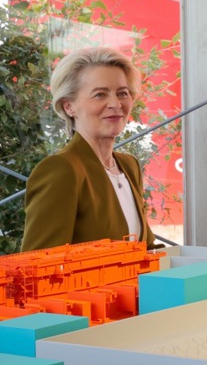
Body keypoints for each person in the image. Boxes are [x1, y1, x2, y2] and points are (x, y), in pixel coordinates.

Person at [22, 46, 156, 252]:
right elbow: (38, 264)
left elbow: (145, 249)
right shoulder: (61, 169)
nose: (115, 104)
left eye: (122, 93)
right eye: (100, 95)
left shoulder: (129, 166)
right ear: (69, 106)